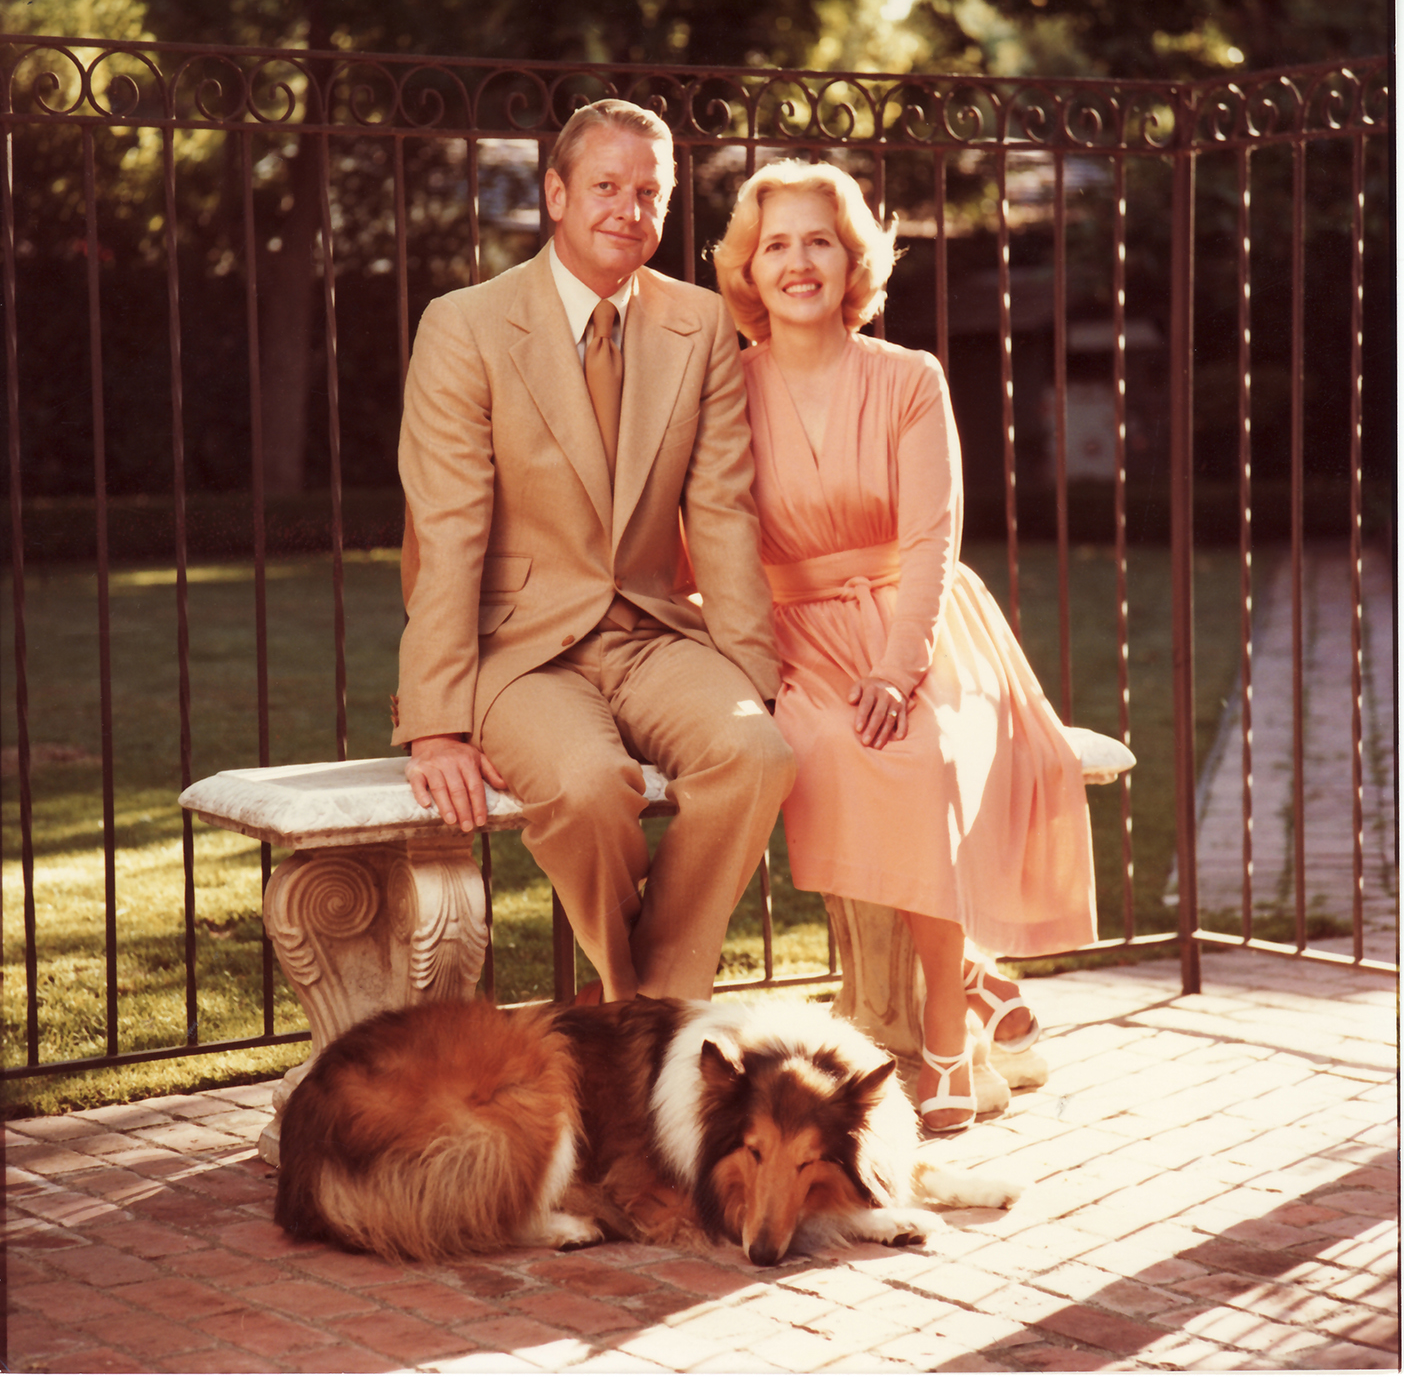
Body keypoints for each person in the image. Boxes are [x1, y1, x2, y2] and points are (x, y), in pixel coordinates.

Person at [713, 161, 1096, 1131]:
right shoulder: (724, 387)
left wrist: (896, 664)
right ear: (749, 268)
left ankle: (940, 1028)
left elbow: (932, 536)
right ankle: (968, 972)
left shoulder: (910, 378)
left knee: (920, 752)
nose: (799, 262)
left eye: (820, 241)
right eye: (778, 244)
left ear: (854, 260)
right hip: (793, 637)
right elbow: (705, 536)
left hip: (913, 623)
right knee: (834, 749)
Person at [393, 99, 794, 1004]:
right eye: (606, 187)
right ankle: (638, 1005)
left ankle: (645, 1005)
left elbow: (722, 514)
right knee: (583, 786)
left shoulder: (698, 327)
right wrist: (437, 725)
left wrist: (753, 679)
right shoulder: (466, 325)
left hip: (651, 631)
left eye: (649, 192)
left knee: (756, 756)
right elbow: (447, 531)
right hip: (520, 648)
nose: (629, 210)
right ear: (556, 194)